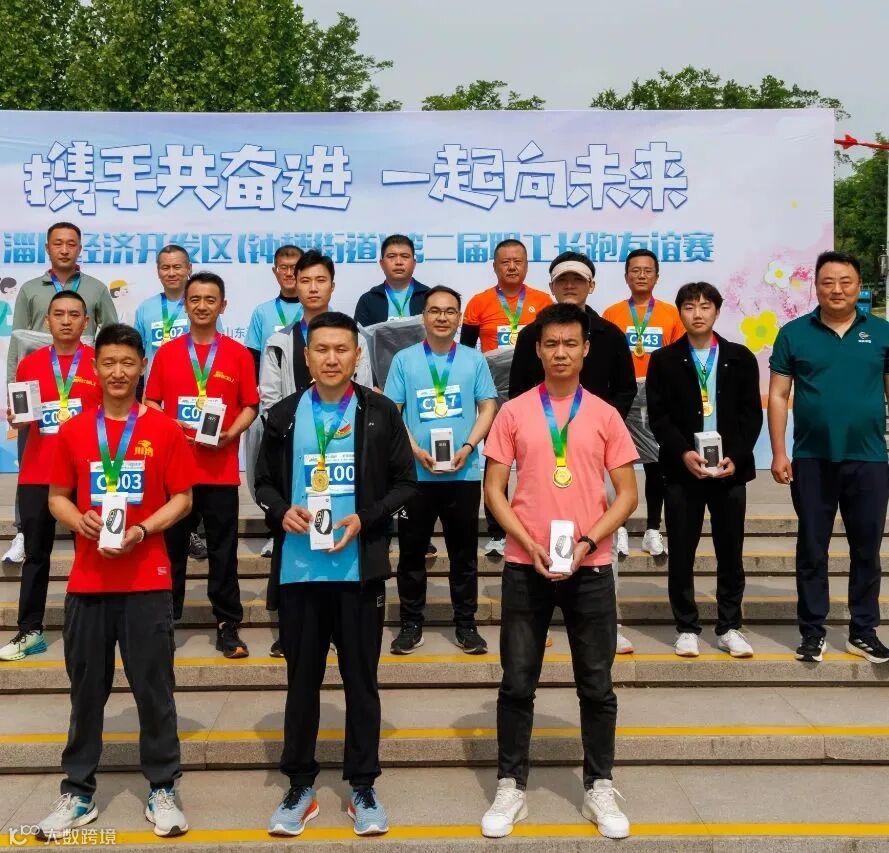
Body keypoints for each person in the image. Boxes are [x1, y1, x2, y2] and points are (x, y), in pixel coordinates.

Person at [255, 312, 419, 838]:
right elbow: (261, 483)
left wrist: (366, 518)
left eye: (341, 349)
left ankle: (363, 786)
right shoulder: (283, 415)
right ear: (306, 357)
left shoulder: (380, 412)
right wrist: (281, 510)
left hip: (358, 574)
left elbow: (405, 483)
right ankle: (300, 786)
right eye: (321, 349)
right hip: (300, 574)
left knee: (361, 683)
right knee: (301, 684)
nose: (331, 358)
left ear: (357, 356)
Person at [480, 302, 637, 840]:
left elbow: (628, 494)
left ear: (586, 349)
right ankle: (511, 786)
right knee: (517, 682)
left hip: (590, 568)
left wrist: (589, 540)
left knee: (596, 685)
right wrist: (527, 542)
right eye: (551, 344)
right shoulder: (513, 412)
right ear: (538, 349)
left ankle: (599, 785)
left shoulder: (606, 414)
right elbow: (494, 490)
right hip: (525, 566)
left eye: (571, 343)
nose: (561, 352)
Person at [34, 323, 193, 839]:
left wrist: (144, 529)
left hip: (147, 581)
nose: (118, 372)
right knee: (86, 694)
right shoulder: (74, 430)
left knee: (154, 691)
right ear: (95, 368)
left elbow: (183, 497)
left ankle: (162, 788)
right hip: (88, 583)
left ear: (142, 366)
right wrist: (76, 518)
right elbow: (57, 496)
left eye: (127, 362)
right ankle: (77, 793)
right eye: (108, 363)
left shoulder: (165, 429)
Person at [509, 252, 637, 654]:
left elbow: (626, 388)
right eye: (562, 280)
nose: (570, 286)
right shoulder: (532, 335)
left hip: (594, 448)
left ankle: (608, 624)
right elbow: (517, 388)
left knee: (600, 535)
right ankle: (540, 624)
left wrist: (599, 427)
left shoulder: (610, 334)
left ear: (591, 285)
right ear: (551, 286)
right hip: (542, 448)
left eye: (578, 280)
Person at [768, 251, 889, 664]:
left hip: (869, 459)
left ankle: (863, 631)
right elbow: (779, 395)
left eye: (845, 281)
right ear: (816, 286)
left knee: (867, 549)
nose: (837, 289)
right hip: (812, 458)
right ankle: (812, 631)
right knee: (812, 548)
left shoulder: (882, 333)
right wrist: (779, 451)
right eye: (828, 282)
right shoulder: (794, 334)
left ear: (859, 285)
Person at [259, 250, 372, 657]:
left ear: (332, 285)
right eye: (304, 280)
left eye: (320, 280)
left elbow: (365, 393)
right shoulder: (279, 341)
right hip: (299, 448)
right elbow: (270, 401)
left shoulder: (356, 336)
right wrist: (301, 423)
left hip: (343, 443)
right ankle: (291, 628)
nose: (312, 288)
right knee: (292, 546)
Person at [145, 272, 258, 658]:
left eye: (210, 299)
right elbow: (151, 401)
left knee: (223, 552)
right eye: (195, 299)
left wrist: (230, 434)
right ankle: (166, 621)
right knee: (171, 551)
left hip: (220, 472)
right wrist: (169, 424)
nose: (202, 306)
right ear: (185, 304)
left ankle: (228, 624)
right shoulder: (167, 353)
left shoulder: (238, 354)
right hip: (175, 474)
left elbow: (250, 405)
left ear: (223, 305)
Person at [647, 282, 763, 658]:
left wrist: (737, 457)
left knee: (730, 552)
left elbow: (751, 415)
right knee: (682, 551)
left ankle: (730, 626)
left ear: (717, 311)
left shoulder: (740, 357)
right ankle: (686, 627)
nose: (697, 313)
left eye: (705, 306)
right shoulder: (664, 360)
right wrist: (683, 453)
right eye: (689, 307)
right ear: (679, 312)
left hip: (729, 472)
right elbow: (659, 417)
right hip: (683, 473)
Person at [384, 285, 498, 654]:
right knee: (411, 554)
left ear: (460, 317)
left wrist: (469, 446)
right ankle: (410, 624)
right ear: (424, 317)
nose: (442, 317)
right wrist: (413, 450)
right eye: (435, 310)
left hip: (463, 475)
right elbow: (393, 412)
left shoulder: (473, 360)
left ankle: (466, 624)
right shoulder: (404, 360)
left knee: (463, 555)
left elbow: (488, 406)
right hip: (415, 476)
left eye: (450, 311)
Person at [3, 222, 117, 565]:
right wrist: (14, 394)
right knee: (34, 461)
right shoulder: (29, 290)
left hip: (82, 380)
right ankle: (24, 531)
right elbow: (18, 342)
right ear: (47, 248)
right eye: (58, 243)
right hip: (37, 387)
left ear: (80, 248)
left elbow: (111, 336)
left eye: (71, 244)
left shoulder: (96, 289)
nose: (64, 249)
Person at [0, 292, 101, 661]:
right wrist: (16, 419)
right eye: (59, 314)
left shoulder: (98, 362)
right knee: (36, 554)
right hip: (37, 472)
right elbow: (22, 416)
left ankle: (94, 627)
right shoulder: (30, 364)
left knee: (90, 551)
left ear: (86, 322)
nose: (66, 320)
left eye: (74, 314)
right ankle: (30, 630)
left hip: (84, 474)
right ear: (47, 320)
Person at [460, 238, 553, 557]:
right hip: (494, 394)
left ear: (526, 265)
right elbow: (466, 352)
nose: (512, 267)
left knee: (537, 456)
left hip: (534, 391)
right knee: (496, 458)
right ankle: (497, 531)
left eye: (518, 261)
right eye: (505, 262)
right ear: (495, 266)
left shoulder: (543, 301)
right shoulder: (479, 302)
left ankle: (534, 523)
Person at [603, 249, 683, 561]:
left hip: (656, 394)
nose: (641, 275)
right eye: (635, 270)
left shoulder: (670, 314)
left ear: (657, 277)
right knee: (618, 462)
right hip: (622, 395)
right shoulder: (612, 313)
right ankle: (619, 526)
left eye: (647, 270)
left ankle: (652, 529)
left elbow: (678, 357)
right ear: (626, 276)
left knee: (656, 463)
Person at [132, 243, 208, 562]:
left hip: (193, 398)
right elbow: (137, 355)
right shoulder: (146, 309)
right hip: (157, 401)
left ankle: (192, 531)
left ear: (189, 268)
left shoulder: (199, 303)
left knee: (195, 467)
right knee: (161, 467)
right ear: (158, 272)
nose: (172, 272)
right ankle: (162, 527)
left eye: (178, 266)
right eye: (166, 267)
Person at [243, 245, 305, 560]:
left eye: (295, 267)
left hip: (310, 403)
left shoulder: (316, 308)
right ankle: (274, 532)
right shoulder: (262, 312)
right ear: (275, 271)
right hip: (274, 404)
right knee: (273, 471)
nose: (289, 272)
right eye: (283, 267)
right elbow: (253, 358)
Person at [354, 234, 428, 326]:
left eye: (405, 256)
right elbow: (359, 334)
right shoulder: (368, 301)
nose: (398, 262)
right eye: (392, 256)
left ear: (414, 264)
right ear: (382, 264)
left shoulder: (429, 297)